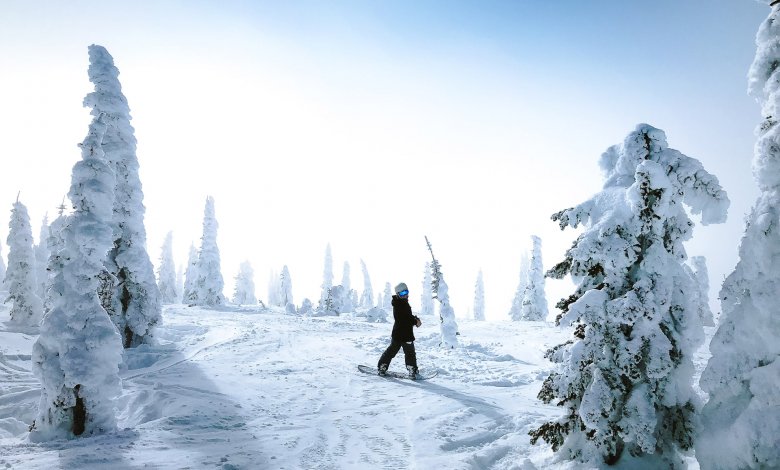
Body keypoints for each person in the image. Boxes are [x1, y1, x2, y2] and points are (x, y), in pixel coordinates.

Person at [377, 282, 422, 379]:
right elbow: (404, 319)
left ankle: (382, 366)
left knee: (391, 351)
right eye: (402, 293)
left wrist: (414, 319)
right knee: (409, 353)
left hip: (397, 334)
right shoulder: (399, 304)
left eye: (406, 292)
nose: (405, 294)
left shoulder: (399, 302)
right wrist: (415, 321)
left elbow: (406, 316)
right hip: (406, 335)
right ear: (398, 294)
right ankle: (412, 370)